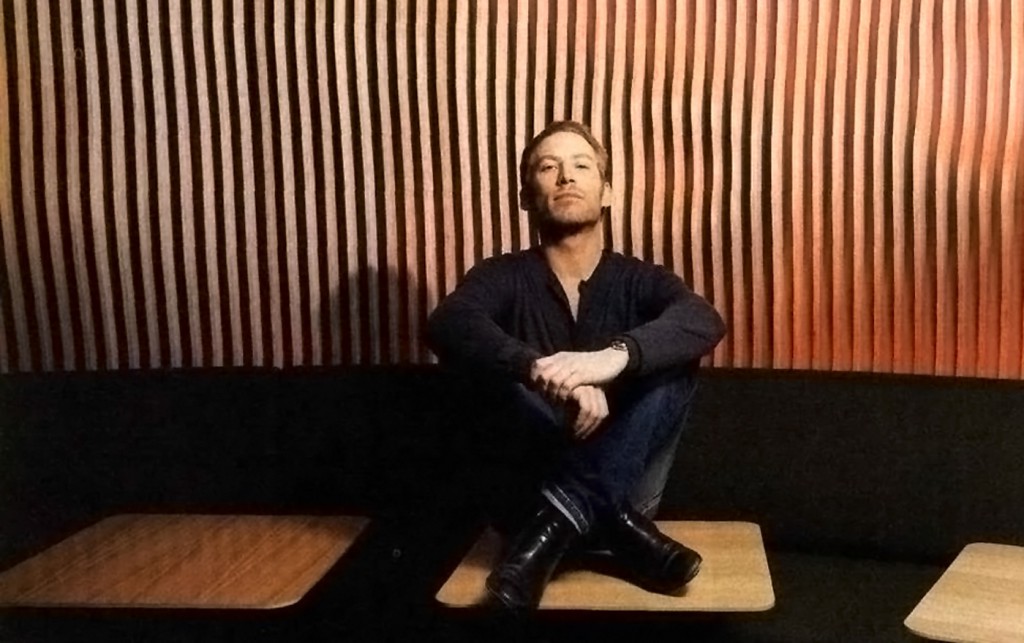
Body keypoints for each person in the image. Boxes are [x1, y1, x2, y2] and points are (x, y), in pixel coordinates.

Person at [426, 120, 726, 611]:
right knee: (486, 367)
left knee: (674, 363)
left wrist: (609, 360)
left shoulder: (640, 278)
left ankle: (556, 525)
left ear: (606, 193)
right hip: (524, 497)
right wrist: (540, 371)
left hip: (619, 494)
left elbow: (703, 320)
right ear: (526, 197)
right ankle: (611, 524)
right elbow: (447, 323)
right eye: (549, 167)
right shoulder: (501, 275)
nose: (566, 176)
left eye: (581, 166)